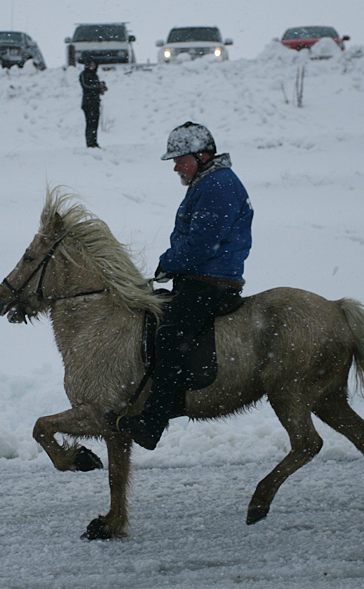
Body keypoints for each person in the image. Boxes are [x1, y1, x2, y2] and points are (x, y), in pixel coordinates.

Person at [109, 122, 254, 450]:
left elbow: (202, 243)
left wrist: (168, 262)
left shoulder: (218, 184)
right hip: (198, 278)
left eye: (180, 160)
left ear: (202, 156)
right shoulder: (209, 181)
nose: (175, 167)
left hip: (211, 283)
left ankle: (152, 423)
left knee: (170, 336)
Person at [78, 57, 107, 148]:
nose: (92, 67)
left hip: (95, 102)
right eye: (90, 65)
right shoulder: (83, 74)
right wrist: (97, 87)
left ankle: (94, 142)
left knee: (95, 123)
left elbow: (96, 89)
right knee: (90, 123)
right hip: (87, 102)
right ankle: (89, 143)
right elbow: (86, 86)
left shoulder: (95, 76)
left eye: (93, 65)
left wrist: (102, 88)